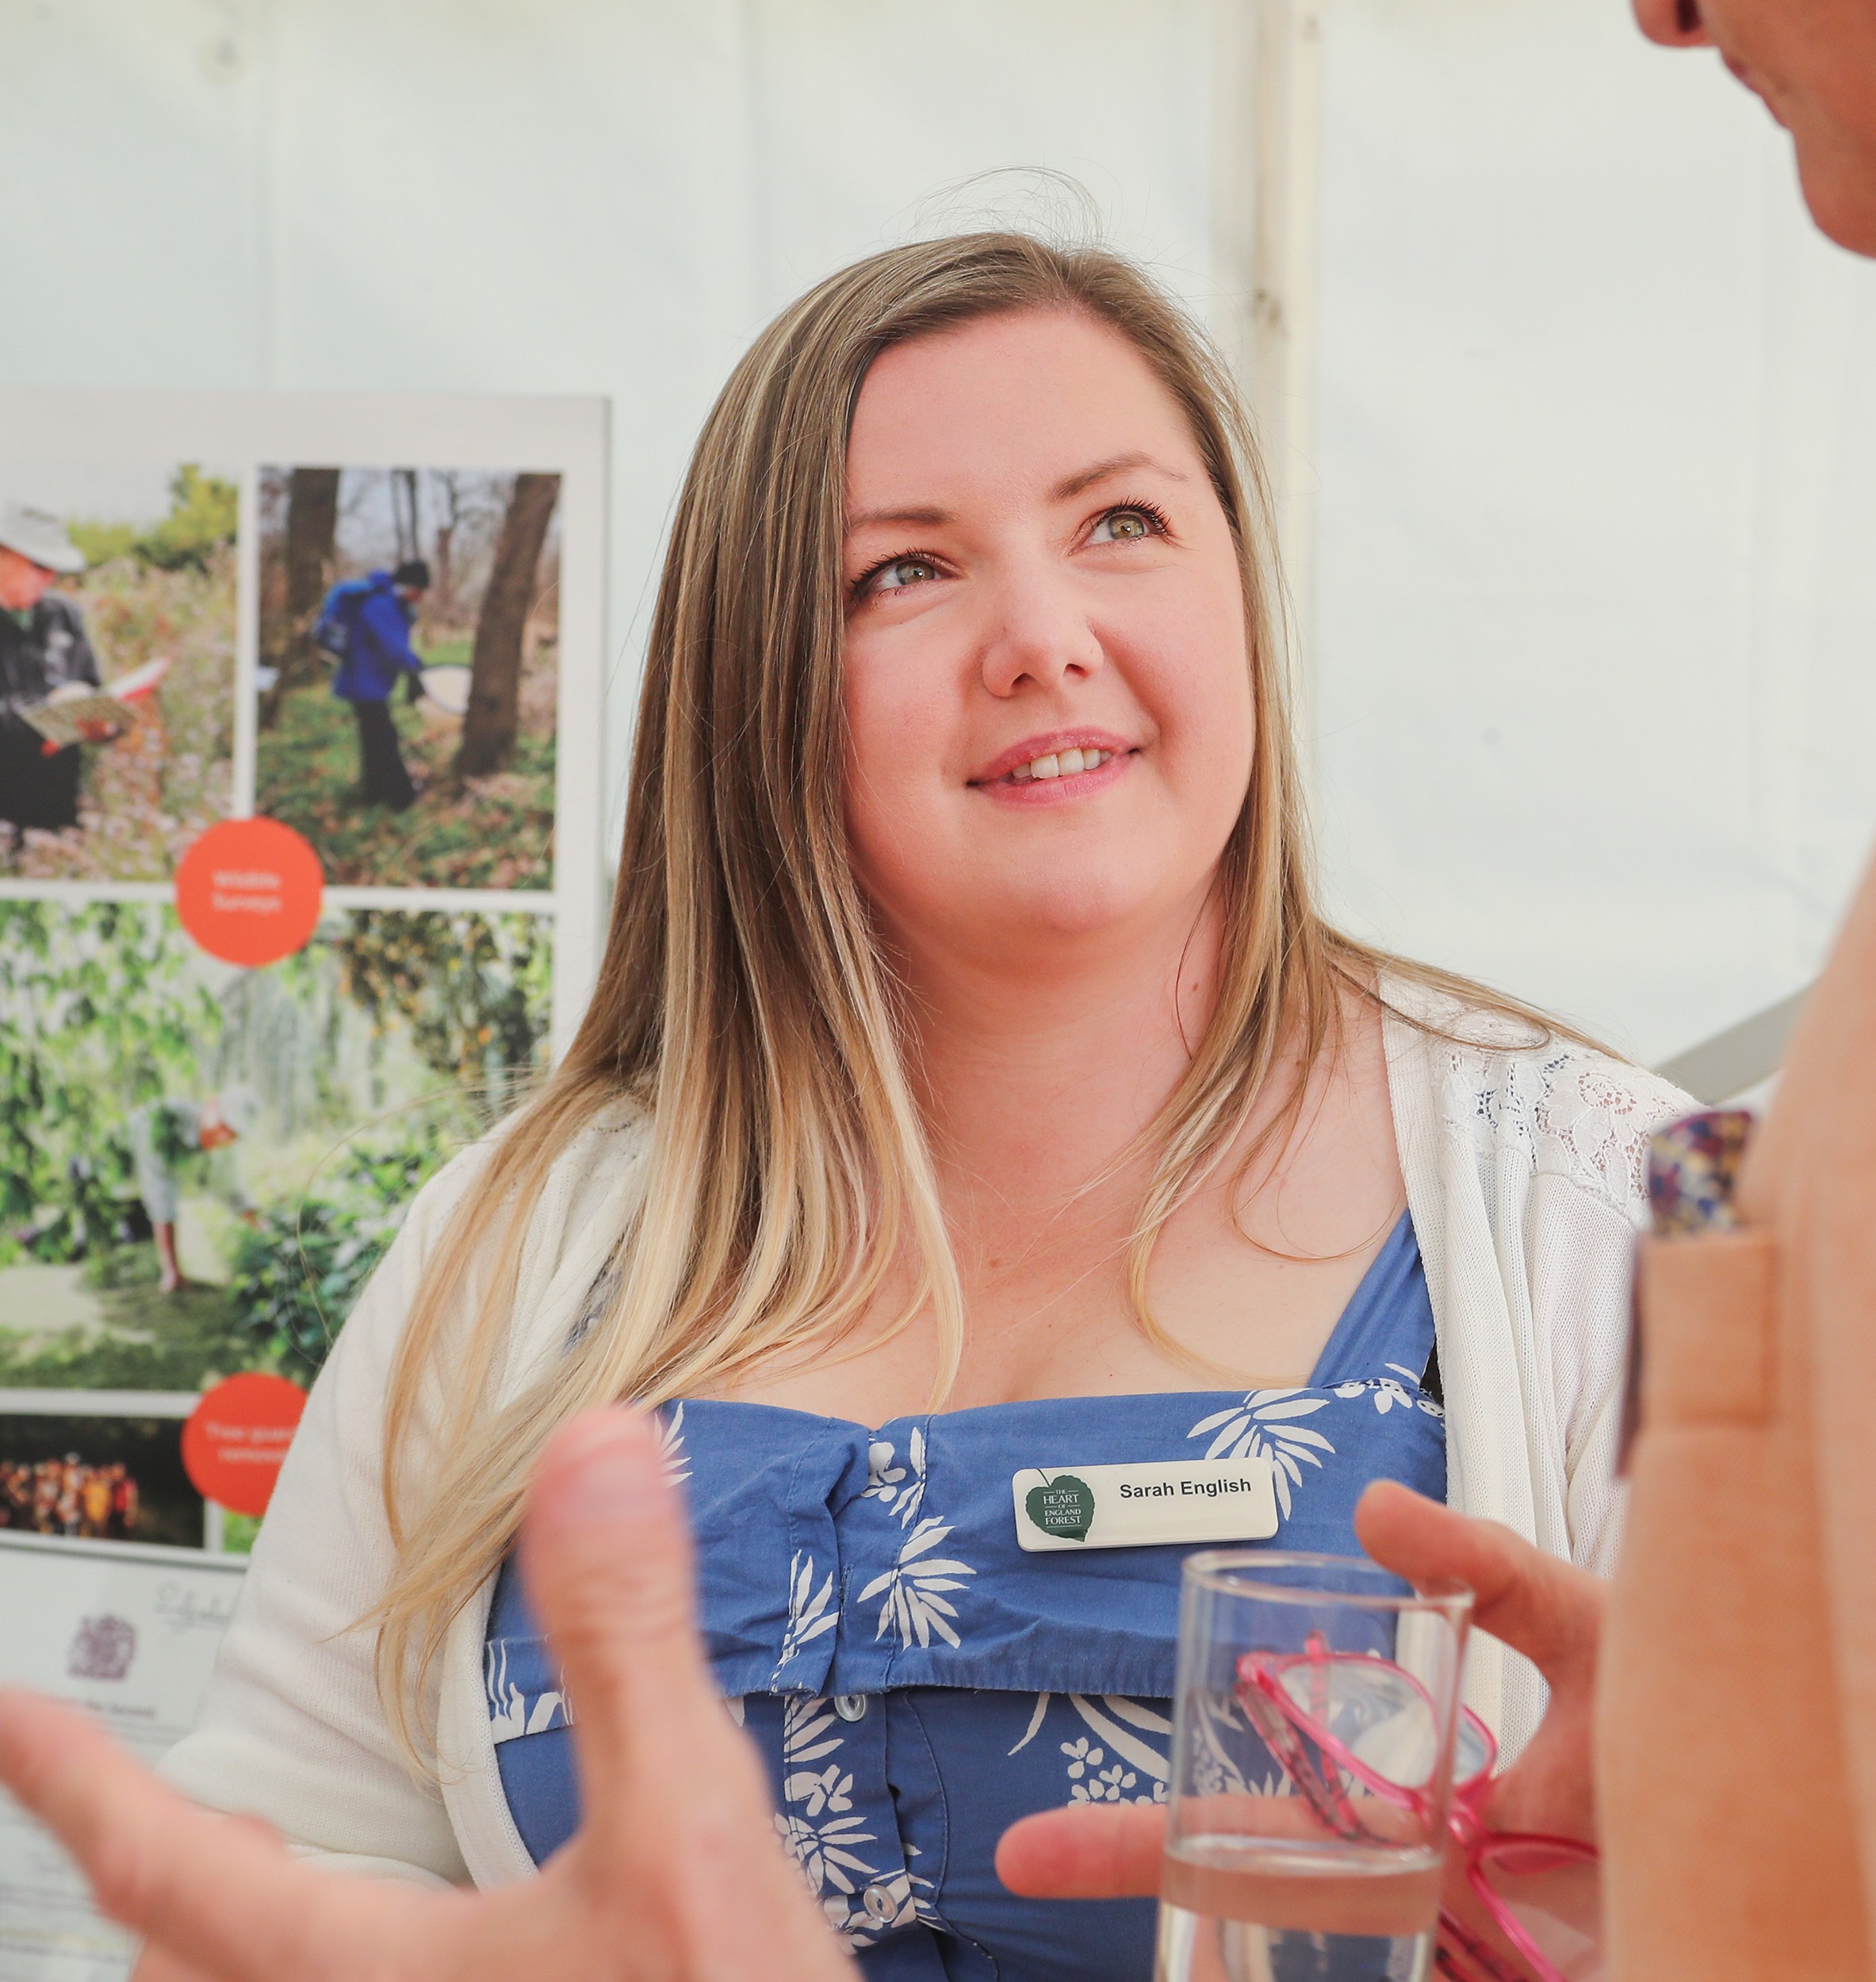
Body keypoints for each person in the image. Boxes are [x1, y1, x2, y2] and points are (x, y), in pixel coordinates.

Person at [5, 0, 1872, 1970]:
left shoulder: (1605, 1205)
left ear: (1244, 591)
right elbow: (274, 1889)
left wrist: (1684, 1899)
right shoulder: (523, 1244)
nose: (1043, 637)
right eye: (904, 572)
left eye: (1123, 524)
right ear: (757, 690)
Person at [0, 503, 117, 839]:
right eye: (38, 565)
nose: (48, 579)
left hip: (58, 804)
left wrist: (101, 722)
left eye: (55, 569)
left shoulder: (63, 614)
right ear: (4, 555)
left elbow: (92, 685)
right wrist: (49, 708)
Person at [126, 1088, 262, 1295]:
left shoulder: (223, 1148)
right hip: (127, 1178)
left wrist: (263, 1227)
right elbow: (161, 1195)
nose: (224, 1137)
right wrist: (172, 1270)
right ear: (212, 1108)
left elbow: (231, 1191)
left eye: (233, 1134)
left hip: (147, 1190)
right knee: (131, 1236)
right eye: (224, 1126)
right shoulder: (164, 1125)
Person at [327, 559, 431, 812]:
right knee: (383, 737)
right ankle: (400, 797)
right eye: (419, 591)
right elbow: (394, 648)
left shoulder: (387, 602)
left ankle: (374, 792)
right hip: (364, 681)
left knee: (373, 738)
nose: (419, 598)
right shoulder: (381, 604)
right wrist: (416, 666)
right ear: (408, 586)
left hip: (367, 680)